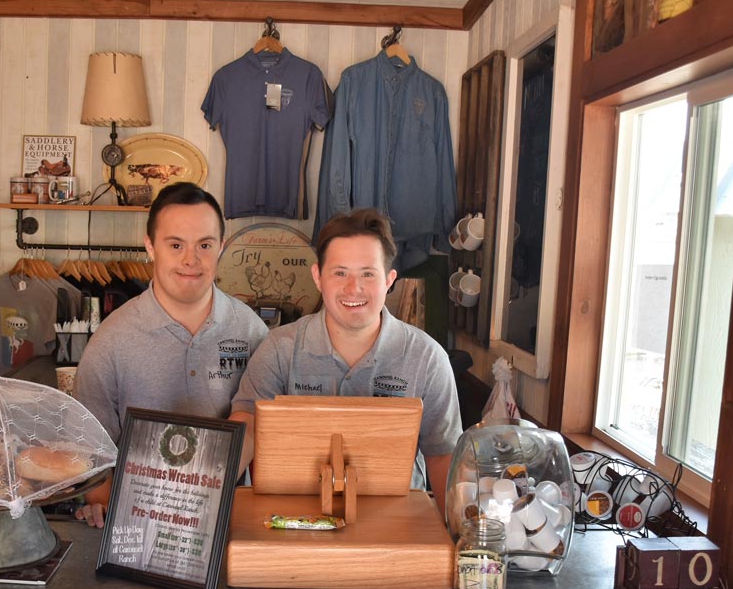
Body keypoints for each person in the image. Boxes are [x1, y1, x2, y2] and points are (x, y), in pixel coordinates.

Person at [230, 208, 461, 512]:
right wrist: (203, 498)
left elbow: (443, 454)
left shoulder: (427, 358)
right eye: (340, 273)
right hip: (293, 522)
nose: (354, 288)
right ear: (318, 276)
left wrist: (455, 540)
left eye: (368, 273)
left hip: (395, 525)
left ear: (389, 279)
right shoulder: (279, 348)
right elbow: (246, 425)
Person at [73, 182, 268, 526]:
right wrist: (105, 511)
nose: (191, 260)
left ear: (221, 246)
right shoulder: (111, 341)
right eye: (175, 244)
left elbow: (264, 430)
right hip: (137, 521)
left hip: (227, 521)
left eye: (204, 245)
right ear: (150, 246)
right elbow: (93, 450)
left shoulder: (252, 332)